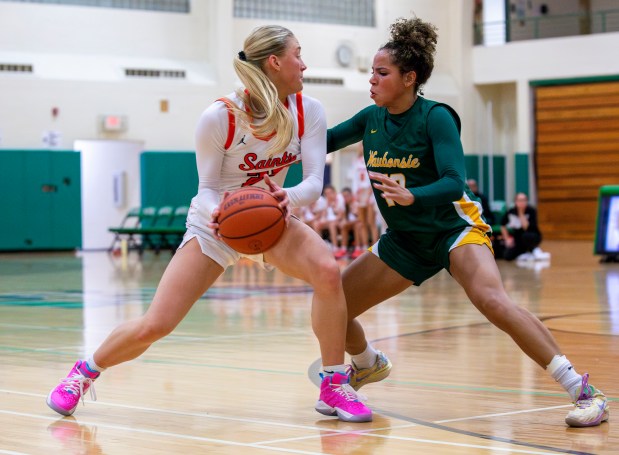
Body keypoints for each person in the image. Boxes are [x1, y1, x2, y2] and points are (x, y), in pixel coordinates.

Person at [46, 25, 371, 423]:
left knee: (326, 270)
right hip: (215, 225)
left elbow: (314, 182)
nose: (304, 64)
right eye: (298, 54)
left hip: (272, 216)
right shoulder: (220, 117)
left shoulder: (309, 110)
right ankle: (83, 374)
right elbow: (206, 188)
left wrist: (288, 198)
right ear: (274, 62)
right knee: (156, 324)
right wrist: (220, 212)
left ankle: (334, 384)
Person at [326, 16, 608, 428]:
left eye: (381, 72)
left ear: (409, 78)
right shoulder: (370, 119)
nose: (372, 79)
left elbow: (455, 182)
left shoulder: (435, 117)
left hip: (454, 229)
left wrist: (412, 195)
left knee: (493, 301)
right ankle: (367, 363)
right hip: (405, 239)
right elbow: (323, 140)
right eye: (372, 72)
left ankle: (585, 392)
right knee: (334, 304)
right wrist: (272, 127)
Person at [500, 192, 550, 262]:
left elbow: (526, 227)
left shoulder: (531, 211)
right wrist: (507, 238)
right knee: (507, 255)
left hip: (532, 236)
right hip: (518, 238)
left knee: (526, 236)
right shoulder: (511, 212)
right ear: (516, 201)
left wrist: (521, 213)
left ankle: (534, 250)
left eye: (524, 200)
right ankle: (525, 254)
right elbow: (502, 225)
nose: (522, 202)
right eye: (519, 200)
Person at [351, 144, 379, 259]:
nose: (361, 147)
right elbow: (354, 180)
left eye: (363, 145)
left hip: (370, 194)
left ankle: (375, 247)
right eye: (360, 146)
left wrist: (368, 193)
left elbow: (373, 178)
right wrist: (355, 195)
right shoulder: (356, 162)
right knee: (361, 222)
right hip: (359, 194)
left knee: (370, 222)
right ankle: (365, 247)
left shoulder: (371, 160)